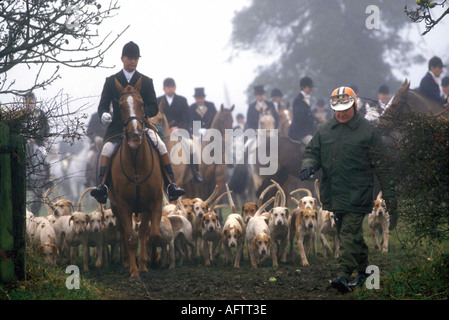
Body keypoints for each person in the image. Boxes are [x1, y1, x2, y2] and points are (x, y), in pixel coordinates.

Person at [299, 86, 397, 294]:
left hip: (358, 194)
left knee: (348, 233)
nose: (341, 113)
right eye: (337, 109)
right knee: (352, 235)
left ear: (353, 105)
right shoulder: (325, 130)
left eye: (345, 108)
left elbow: (383, 164)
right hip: (334, 193)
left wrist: (390, 193)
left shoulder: (367, 131)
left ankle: (344, 274)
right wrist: (309, 164)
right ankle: (365, 272)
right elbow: (312, 151)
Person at [90, 41, 185, 203]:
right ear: (122, 59)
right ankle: (103, 187)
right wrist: (104, 114)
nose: (133, 61)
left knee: (161, 145)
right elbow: (102, 106)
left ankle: (170, 185)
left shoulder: (146, 81)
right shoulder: (111, 81)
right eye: (129, 58)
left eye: (135, 58)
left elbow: (154, 107)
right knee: (106, 149)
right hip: (118, 129)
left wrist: (139, 115)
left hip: (141, 126)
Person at [288, 76, 316, 144]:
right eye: (309, 87)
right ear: (303, 87)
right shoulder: (298, 101)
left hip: (308, 131)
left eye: (311, 87)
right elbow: (300, 117)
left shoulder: (307, 99)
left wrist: (318, 120)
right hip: (301, 132)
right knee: (314, 145)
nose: (311, 89)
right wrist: (314, 120)